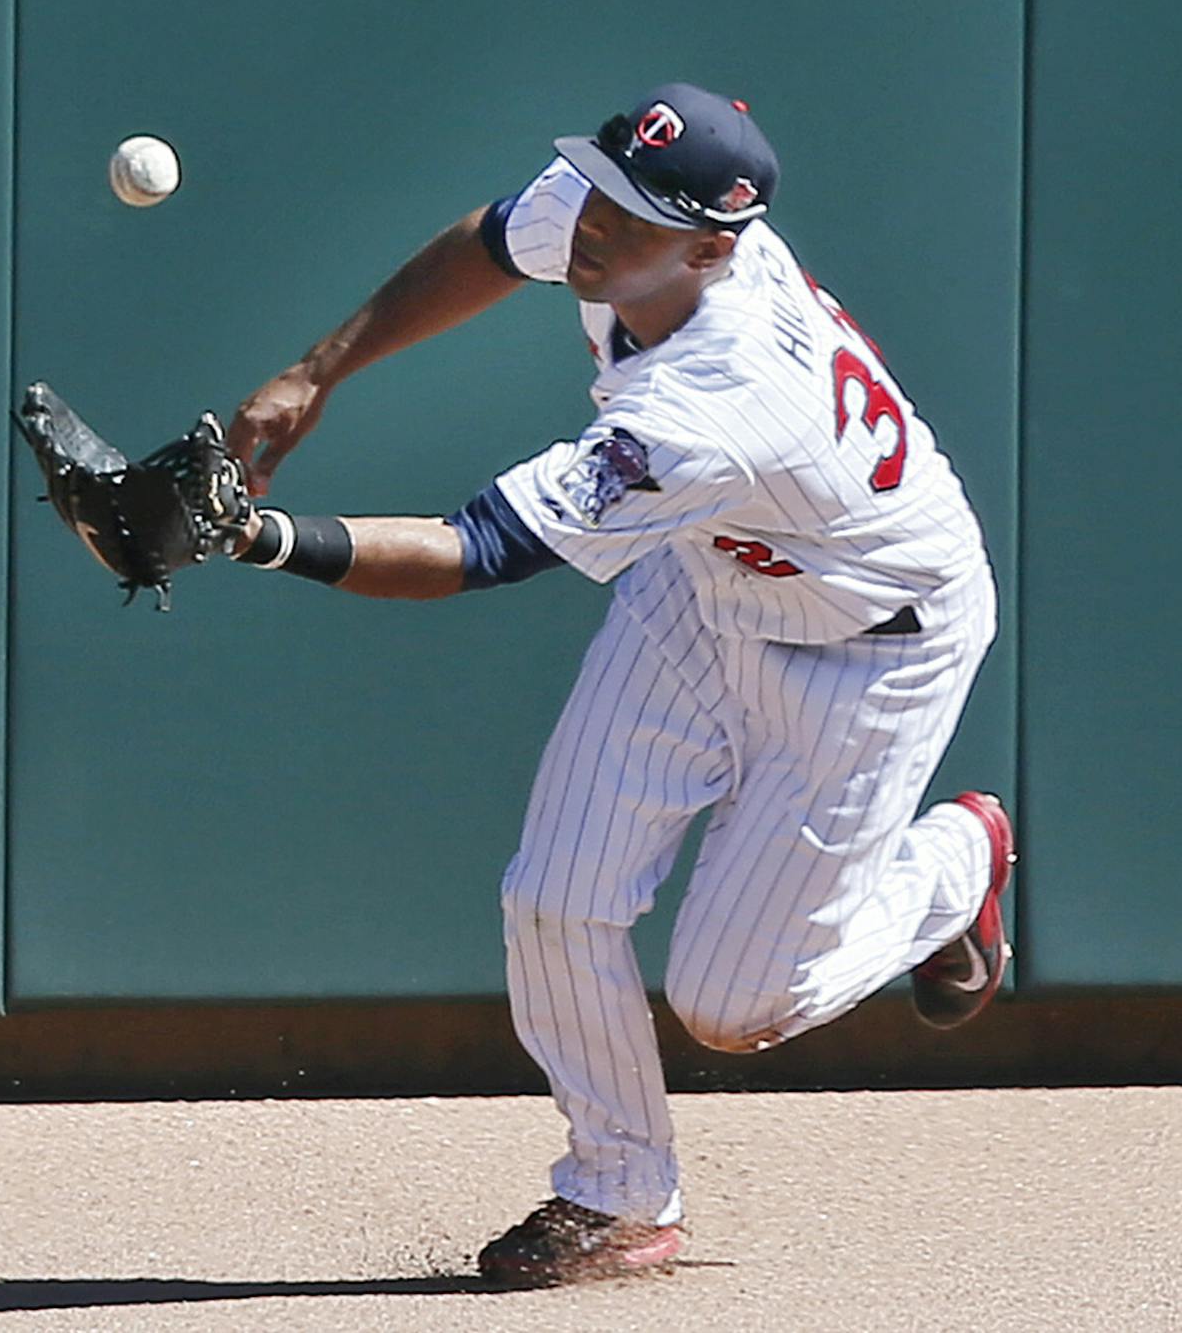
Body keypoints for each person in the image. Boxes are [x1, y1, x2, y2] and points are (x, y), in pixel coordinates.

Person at [223, 82, 1015, 1288]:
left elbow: (476, 550)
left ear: (713, 244)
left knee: (735, 1004)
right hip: (706, 582)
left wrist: (257, 537)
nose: (593, 228)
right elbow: (497, 240)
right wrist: (318, 369)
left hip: (871, 643)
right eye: (597, 190)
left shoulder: (720, 400)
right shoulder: (621, 224)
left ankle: (955, 869)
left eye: (633, 220)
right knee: (555, 896)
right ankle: (617, 1196)